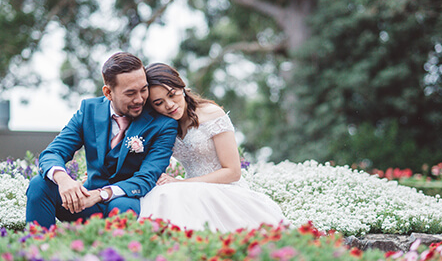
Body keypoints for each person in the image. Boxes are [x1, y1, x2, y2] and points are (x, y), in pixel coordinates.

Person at [26, 53, 178, 229]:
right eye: (130, 93)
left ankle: (114, 255)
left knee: (122, 207)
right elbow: (54, 152)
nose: (139, 99)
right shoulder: (88, 110)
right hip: (85, 205)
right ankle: (37, 249)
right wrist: (63, 179)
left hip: (127, 203)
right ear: (108, 92)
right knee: (39, 184)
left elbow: (146, 177)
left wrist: (101, 194)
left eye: (143, 90)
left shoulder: (163, 124)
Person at [139, 63, 287, 232]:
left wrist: (184, 183)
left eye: (172, 94)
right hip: (190, 191)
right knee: (160, 196)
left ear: (182, 86)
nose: (169, 105)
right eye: (159, 103)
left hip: (225, 189)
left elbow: (233, 171)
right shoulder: (165, 126)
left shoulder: (211, 114)